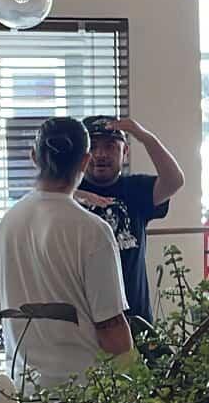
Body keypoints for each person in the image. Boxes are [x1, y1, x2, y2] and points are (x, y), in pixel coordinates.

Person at [0, 118, 133, 391]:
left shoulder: (6, 224)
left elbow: (2, 306)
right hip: (82, 397)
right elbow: (112, 330)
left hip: (23, 390)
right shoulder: (93, 231)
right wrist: (139, 380)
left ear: (34, 157)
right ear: (85, 161)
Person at [77, 114, 185, 326]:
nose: (100, 154)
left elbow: (175, 180)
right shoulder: (68, 194)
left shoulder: (136, 190)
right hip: (85, 326)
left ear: (125, 151)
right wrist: (74, 195)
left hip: (136, 321)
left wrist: (144, 136)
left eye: (110, 146)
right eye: (93, 147)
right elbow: (41, 199)